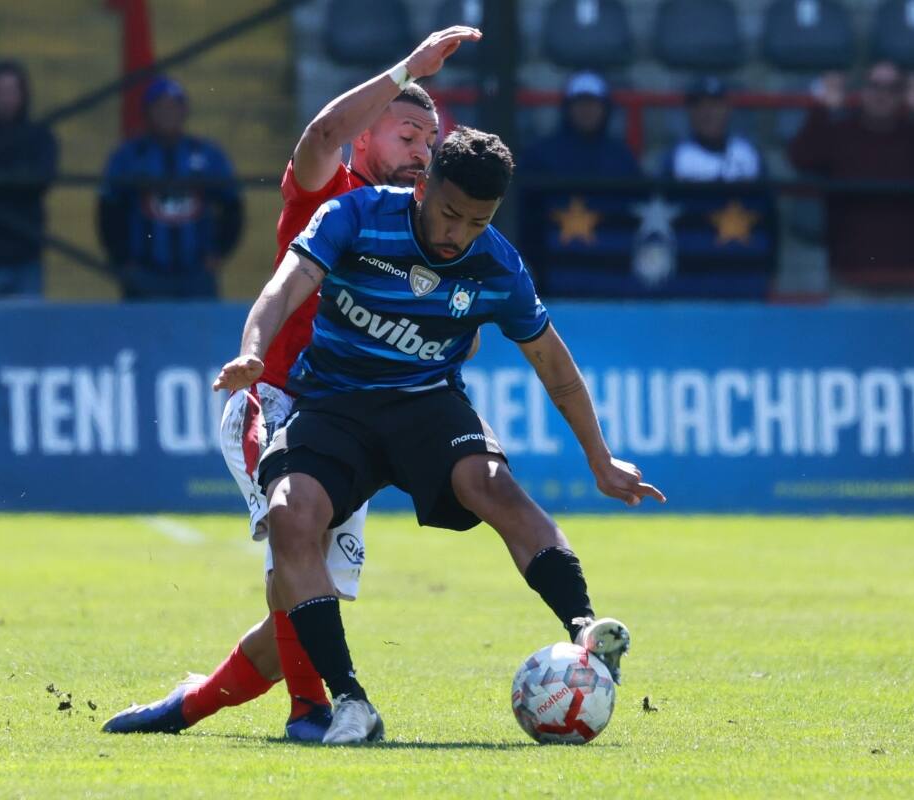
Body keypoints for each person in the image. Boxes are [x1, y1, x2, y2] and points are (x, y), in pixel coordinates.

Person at [212, 126, 666, 744]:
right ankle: (351, 703)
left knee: (495, 486)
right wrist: (252, 353)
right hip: (334, 403)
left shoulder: (498, 265)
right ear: (422, 186)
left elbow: (556, 370)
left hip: (426, 405)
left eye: (477, 222)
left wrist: (601, 458)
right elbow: (284, 287)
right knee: (293, 514)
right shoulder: (355, 215)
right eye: (450, 213)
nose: (458, 235)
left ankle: (585, 630)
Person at [101, 26, 477, 739]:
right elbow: (320, 130)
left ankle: (189, 705)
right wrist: (408, 67)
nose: (419, 155)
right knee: (294, 544)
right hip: (272, 403)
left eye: (429, 145)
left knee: (312, 604)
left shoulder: (418, 229)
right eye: (405, 135)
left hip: (348, 424)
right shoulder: (324, 190)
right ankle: (311, 711)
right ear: (366, 137)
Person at [788, 60, 914, 295]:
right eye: (875, 86)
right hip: (849, 276)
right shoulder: (840, 134)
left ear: (902, 94)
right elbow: (800, 158)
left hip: (907, 277)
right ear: (862, 91)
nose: (882, 95)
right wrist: (821, 108)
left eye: (891, 88)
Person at [97, 77, 242, 301]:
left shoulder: (207, 154)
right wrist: (122, 259)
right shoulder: (128, 156)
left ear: (184, 111)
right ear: (148, 112)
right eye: (160, 107)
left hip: (197, 275)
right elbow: (108, 210)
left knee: (200, 333)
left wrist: (218, 253)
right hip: (144, 273)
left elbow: (232, 206)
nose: (168, 113)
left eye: (174, 106)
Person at [518, 71, 643, 296]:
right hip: (552, 273)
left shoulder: (622, 157)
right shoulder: (540, 154)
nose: (587, 110)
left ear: (605, 108)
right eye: (580, 103)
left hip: (612, 272)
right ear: (568, 107)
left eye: (593, 103)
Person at [655, 77, 776, 298]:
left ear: (727, 110)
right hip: (691, 276)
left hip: (746, 274)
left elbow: (770, 214)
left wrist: (771, 268)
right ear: (690, 113)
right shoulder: (676, 159)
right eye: (700, 106)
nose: (708, 113)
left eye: (716, 105)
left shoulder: (749, 155)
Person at [0, 59, 59, 297]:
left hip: (25, 256)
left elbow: (40, 181)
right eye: (0, 92)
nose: (6, 99)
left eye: (12, 91)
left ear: (23, 95)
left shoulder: (40, 137)